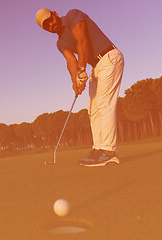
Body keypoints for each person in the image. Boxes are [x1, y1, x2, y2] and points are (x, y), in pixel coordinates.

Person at [35, 8, 124, 167]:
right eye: (46, 26)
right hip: (96, 67)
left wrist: (82, 70)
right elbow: (71, 61)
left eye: (50, 20)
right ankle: (98, 149)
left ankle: (108, 152)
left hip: (108, 57)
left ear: (55, 14)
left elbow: (83, 40)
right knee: (92, 108)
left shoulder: (72, 15)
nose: (50, 25)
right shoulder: (60, 43)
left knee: (104, 104)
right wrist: (75, 81)